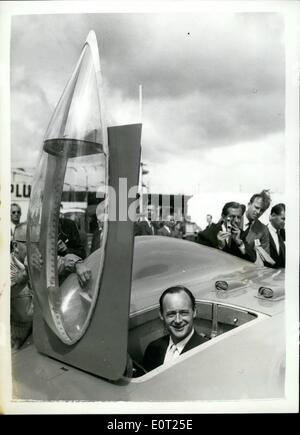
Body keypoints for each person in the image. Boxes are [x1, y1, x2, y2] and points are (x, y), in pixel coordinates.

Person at [142, 286, 207, 372]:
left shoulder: (207, 352)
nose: (178, 320)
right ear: (161, 315)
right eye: (171, 314)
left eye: (184, 313)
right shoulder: (152, 349)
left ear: (194, 312)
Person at [10, 223, 33, 350]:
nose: (36, 249)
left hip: (36, 340)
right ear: (15, 246)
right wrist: (26, 273)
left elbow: (61, 262)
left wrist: (78, 264)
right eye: (30, 244)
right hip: (14, 342)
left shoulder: (38, 262)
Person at [241, 190, 272, 265]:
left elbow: (266, 259)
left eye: (262, 210)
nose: (258, 212)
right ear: (249, 204)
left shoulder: (263, 230)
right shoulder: (233, 217)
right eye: (256, 207)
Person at [266, 203, 286, 268]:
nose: (284, 222)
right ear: (272, 216)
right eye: (283, 219)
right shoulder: (261, 232)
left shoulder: (282, 234)